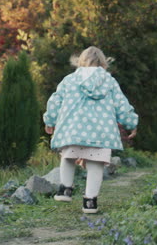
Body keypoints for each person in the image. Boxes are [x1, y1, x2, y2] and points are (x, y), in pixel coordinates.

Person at [43, 46, 138, 213]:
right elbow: (121, 105)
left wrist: (49, 120)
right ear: (103, 63)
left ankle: (65, 189)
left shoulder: (69, 79)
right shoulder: (109, 81)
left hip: (72, 129)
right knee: (96, 165)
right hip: (101, 133)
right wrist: (131, 123)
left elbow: (55, 101)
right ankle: (90, 202)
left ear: (80, 61)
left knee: (68, 156)